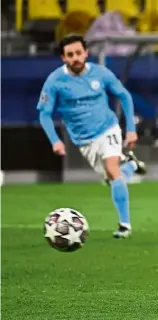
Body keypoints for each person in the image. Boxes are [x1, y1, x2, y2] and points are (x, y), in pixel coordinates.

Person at [37, 34, 147, 239]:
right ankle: (131, 166)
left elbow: (124, 95)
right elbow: (44, 114)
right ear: (63, 58)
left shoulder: (101, 73)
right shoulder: (55, 81)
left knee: (112, 170)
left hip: (108, 128)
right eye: (70, 55)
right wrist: (55, 140)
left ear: (86, 53)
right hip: (83, 139)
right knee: (111, 178)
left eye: (79, 53)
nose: (76, 58)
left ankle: (125, 225)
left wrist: (130, 128)